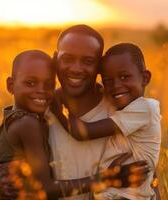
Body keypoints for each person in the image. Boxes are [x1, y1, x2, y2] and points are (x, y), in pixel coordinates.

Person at [0, 49, 139, 200]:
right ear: (11, 86)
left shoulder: (15, 116)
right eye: (30, 83)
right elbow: (44, 189)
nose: (41, 90)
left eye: (49, 85)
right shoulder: (28, 124)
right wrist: (107, 179)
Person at [46, 25, 153, 200]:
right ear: (55, 59)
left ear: (100, 66)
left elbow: (147, 178)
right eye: (68, 59)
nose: (76, 68)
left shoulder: (121, 110)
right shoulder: (39, 108)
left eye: (88, 61)